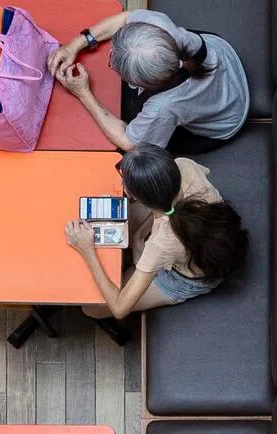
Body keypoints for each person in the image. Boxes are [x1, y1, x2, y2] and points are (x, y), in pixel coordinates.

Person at [64, 144, 248, 325]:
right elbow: (169, 208)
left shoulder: (160, 244)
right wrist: (138, 236)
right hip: (211, 238)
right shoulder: (184, 165)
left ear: (132, 195)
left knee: (91, 308)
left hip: (189, 278)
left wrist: (87, 249)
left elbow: (119, 308)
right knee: (127, 227)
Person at [48, 10, 249, 151]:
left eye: (112, 63)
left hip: (225, 121)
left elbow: (129, 142)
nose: (110, 56)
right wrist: (76, 44)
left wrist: (83, 93)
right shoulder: (158, 27)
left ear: (140, 85)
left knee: (142, 138)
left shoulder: (162, 107)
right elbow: (125, 18)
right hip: (224, 56)